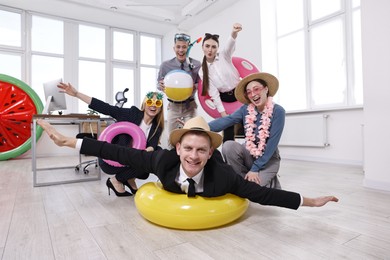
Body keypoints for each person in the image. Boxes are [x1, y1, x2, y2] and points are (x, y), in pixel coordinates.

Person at [37, 116, 338, 210]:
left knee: (245, 177)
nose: (193, 156)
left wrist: (310, 201)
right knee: (133, 162)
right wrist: (70, 142)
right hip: (170, 171)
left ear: (208, 152)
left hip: (220, 170)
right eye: (189, 148)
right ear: (178, 147)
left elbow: (262, 195)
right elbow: (120, 153)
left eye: (201, 150)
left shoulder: (224, 177)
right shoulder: (163, 161)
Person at [57, 82, 164, 196]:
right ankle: (116, 180)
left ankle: (128, 178)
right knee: (145, 162)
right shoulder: (132, 114)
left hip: (131, 160)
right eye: (150, 102)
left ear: (160, 107)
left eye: (157, 103)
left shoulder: (157, 126)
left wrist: (146, 154)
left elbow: (152, 145)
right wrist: (77, 94)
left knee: (157, 151)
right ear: (144, 103)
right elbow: (107, 108)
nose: (153, 105)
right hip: (112, 160)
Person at [209, 72, 284, 189]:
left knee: (254, 188)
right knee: (228, 146)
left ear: (266, 89)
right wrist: (200, 127)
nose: (253, 94)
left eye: (256, 89)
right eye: (249, 92)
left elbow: (272, 144)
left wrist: (255, 169)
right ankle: (244, 179)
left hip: (269, 159)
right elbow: (228, 120)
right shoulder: (245, 109)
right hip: (249, 154)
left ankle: (265, 178)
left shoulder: (278, 111)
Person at [199, 23, 242, 142]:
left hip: (239, 93)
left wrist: (234, 32)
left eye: (213, 46)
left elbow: (230, 45)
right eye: (207, 46)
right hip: (225, 98)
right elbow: (213, 92)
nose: (210, 49)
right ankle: (229, 154)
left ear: (217, 48)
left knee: (248, 122)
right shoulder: (202, 71)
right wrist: (223, 114)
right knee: (228, 128)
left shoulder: (224, 56)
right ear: (202, 47)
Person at [157, 33, 201, 133]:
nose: (181, 50)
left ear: (188, 48)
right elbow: (158, 84)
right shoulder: (165, 65)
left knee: (191, 135)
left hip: (190, 106)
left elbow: (202, 84)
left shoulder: (196, 64)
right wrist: (161, 86)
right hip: (173, 107)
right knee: (172, 139)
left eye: (184, 47)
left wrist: (195, 86)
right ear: (174, 48)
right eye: (178, 47)